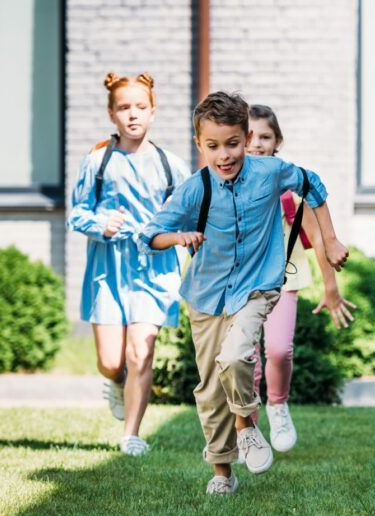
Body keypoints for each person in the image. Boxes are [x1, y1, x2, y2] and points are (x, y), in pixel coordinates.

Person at [137, 91, 348, 494]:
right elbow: (149, 235)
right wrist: (178, 236)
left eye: (233, 144)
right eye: (213, 146)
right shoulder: (194, 188)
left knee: (235, 356)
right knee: (211, 388)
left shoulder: (269, 172)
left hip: (258, 287)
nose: (224, 155)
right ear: (199, 144)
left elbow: (313, 184)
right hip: (205, 296)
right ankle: (223, 474)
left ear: (246, 136)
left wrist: (332, 240)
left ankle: (248, 423)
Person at [68, 72, 189, 456]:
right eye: (124, 108)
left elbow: (190, 214)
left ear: (153, 112)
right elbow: (76, 214)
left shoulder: (171, 166)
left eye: (140, 107)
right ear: (111, 113)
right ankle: (115, 380)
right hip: (108, 271)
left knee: (142, 351)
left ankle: (131, 434)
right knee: (110, 361)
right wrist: (100, 224)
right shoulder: (98, 162)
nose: (132, 115)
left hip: (155, 270)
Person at [239, 104, 356, 454]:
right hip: (242, 285)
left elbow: (318, 239)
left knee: (278, 350)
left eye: (265, 136)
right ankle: (249, 427)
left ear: (278, 142)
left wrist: (331, 289)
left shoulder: (289, 193)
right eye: (249, 136)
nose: (256, 143)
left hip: (282, 281)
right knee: (247, 361)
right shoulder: (230, 185)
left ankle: (278, 406)